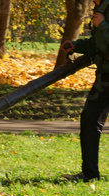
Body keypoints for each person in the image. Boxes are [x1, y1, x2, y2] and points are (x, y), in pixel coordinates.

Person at [62, 0, 109, 182]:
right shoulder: (101, 8)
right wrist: (77, 45)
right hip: (104, 77)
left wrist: (103, 25)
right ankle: (89, 174)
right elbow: (98, 44)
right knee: (90, 119)